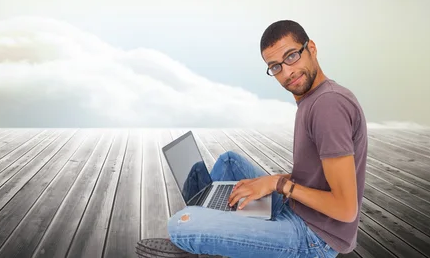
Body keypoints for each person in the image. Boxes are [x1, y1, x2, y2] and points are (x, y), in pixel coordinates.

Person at [136, 20, 368, 258]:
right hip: (299, 208)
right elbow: (318, 178)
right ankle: (209, 219)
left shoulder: (328, 105)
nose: (287, 72)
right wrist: (273, 181)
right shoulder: (313, 98)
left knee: (180, 225)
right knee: (229, 162)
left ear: (312, 48)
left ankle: (200, 231)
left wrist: (278, 184)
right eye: (275, 66)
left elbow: (346, 209)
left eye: (291, 57)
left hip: (313, 237)